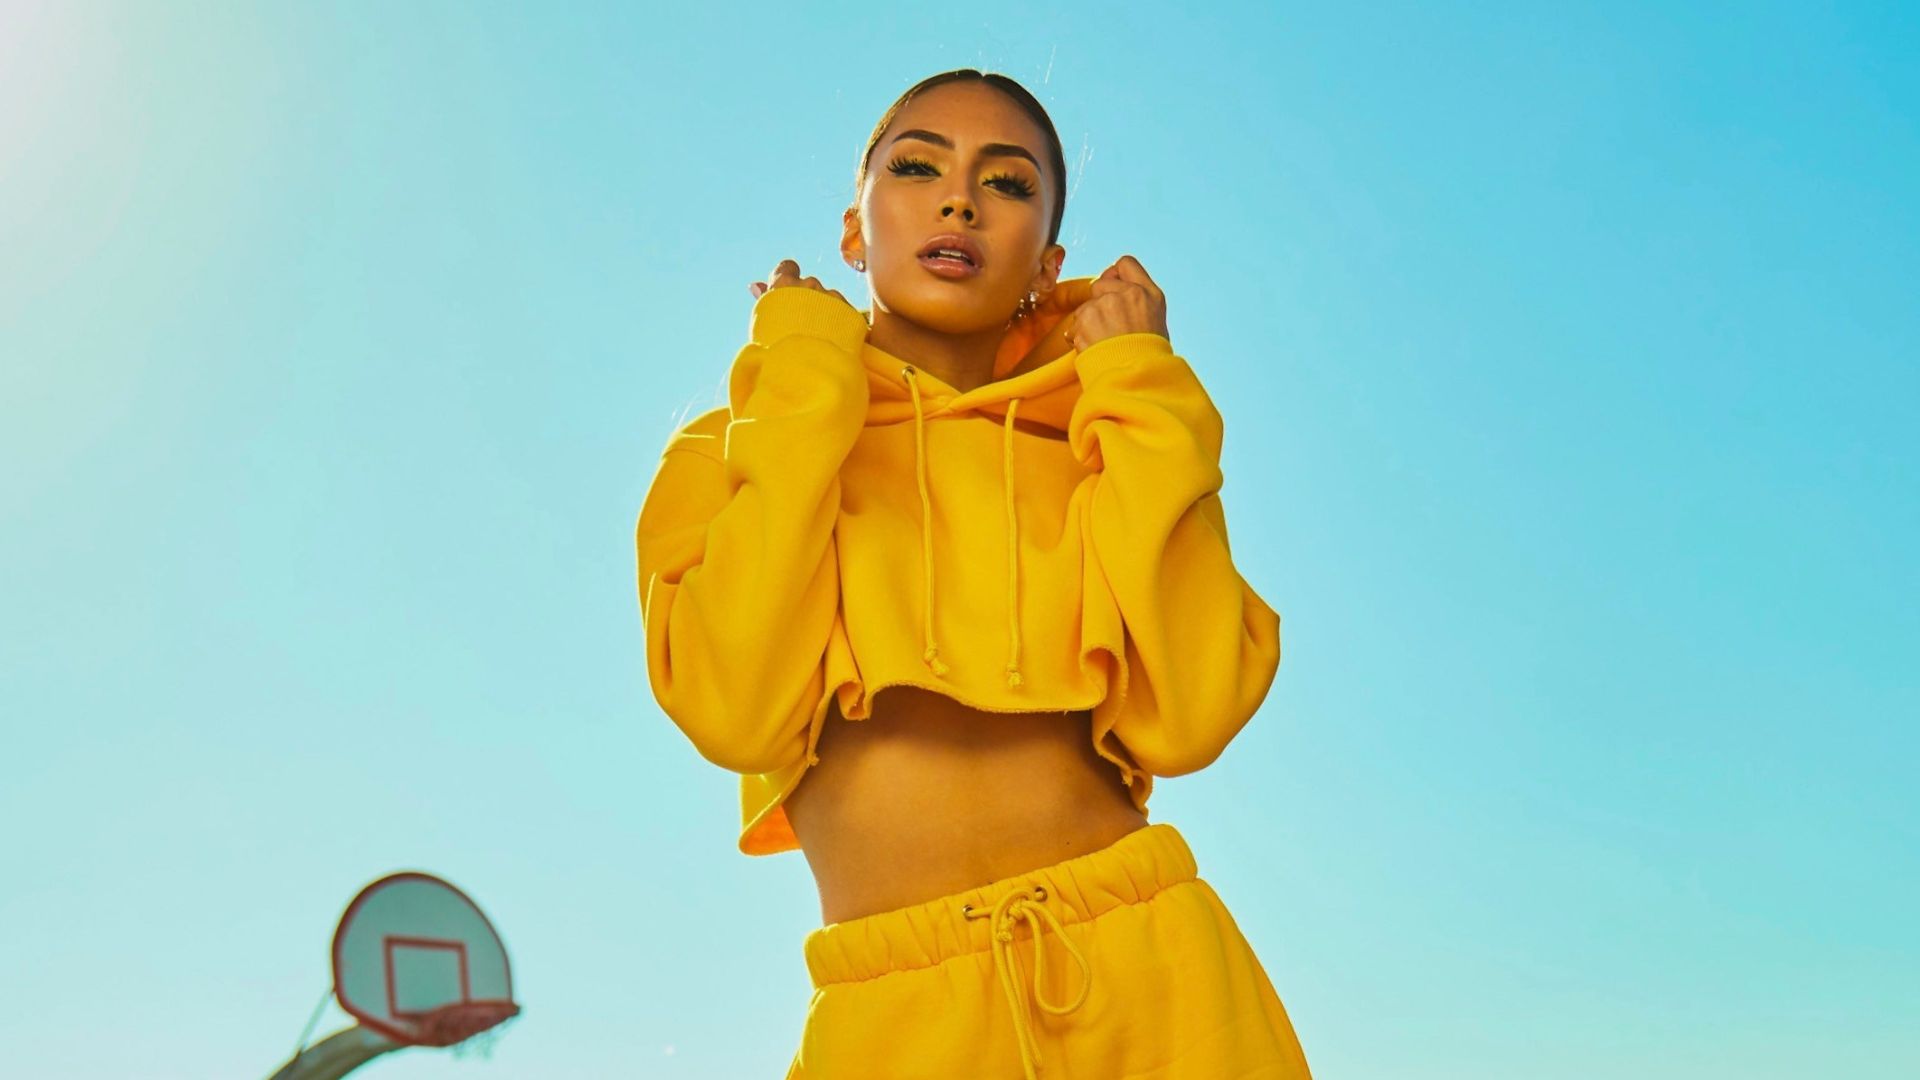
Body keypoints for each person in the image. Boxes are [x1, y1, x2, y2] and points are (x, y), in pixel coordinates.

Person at [635, 68, 1313, 1079]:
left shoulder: (1100, 438)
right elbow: (734, 713)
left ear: (1048, 263)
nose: (960, 200)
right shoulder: (738, 441)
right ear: (854, 232)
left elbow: (1193, 718)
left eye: (1007, 182)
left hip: (1159, 985)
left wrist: (1142, 388)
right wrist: (807, 381)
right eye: (918, 167)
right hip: (892, 1013)